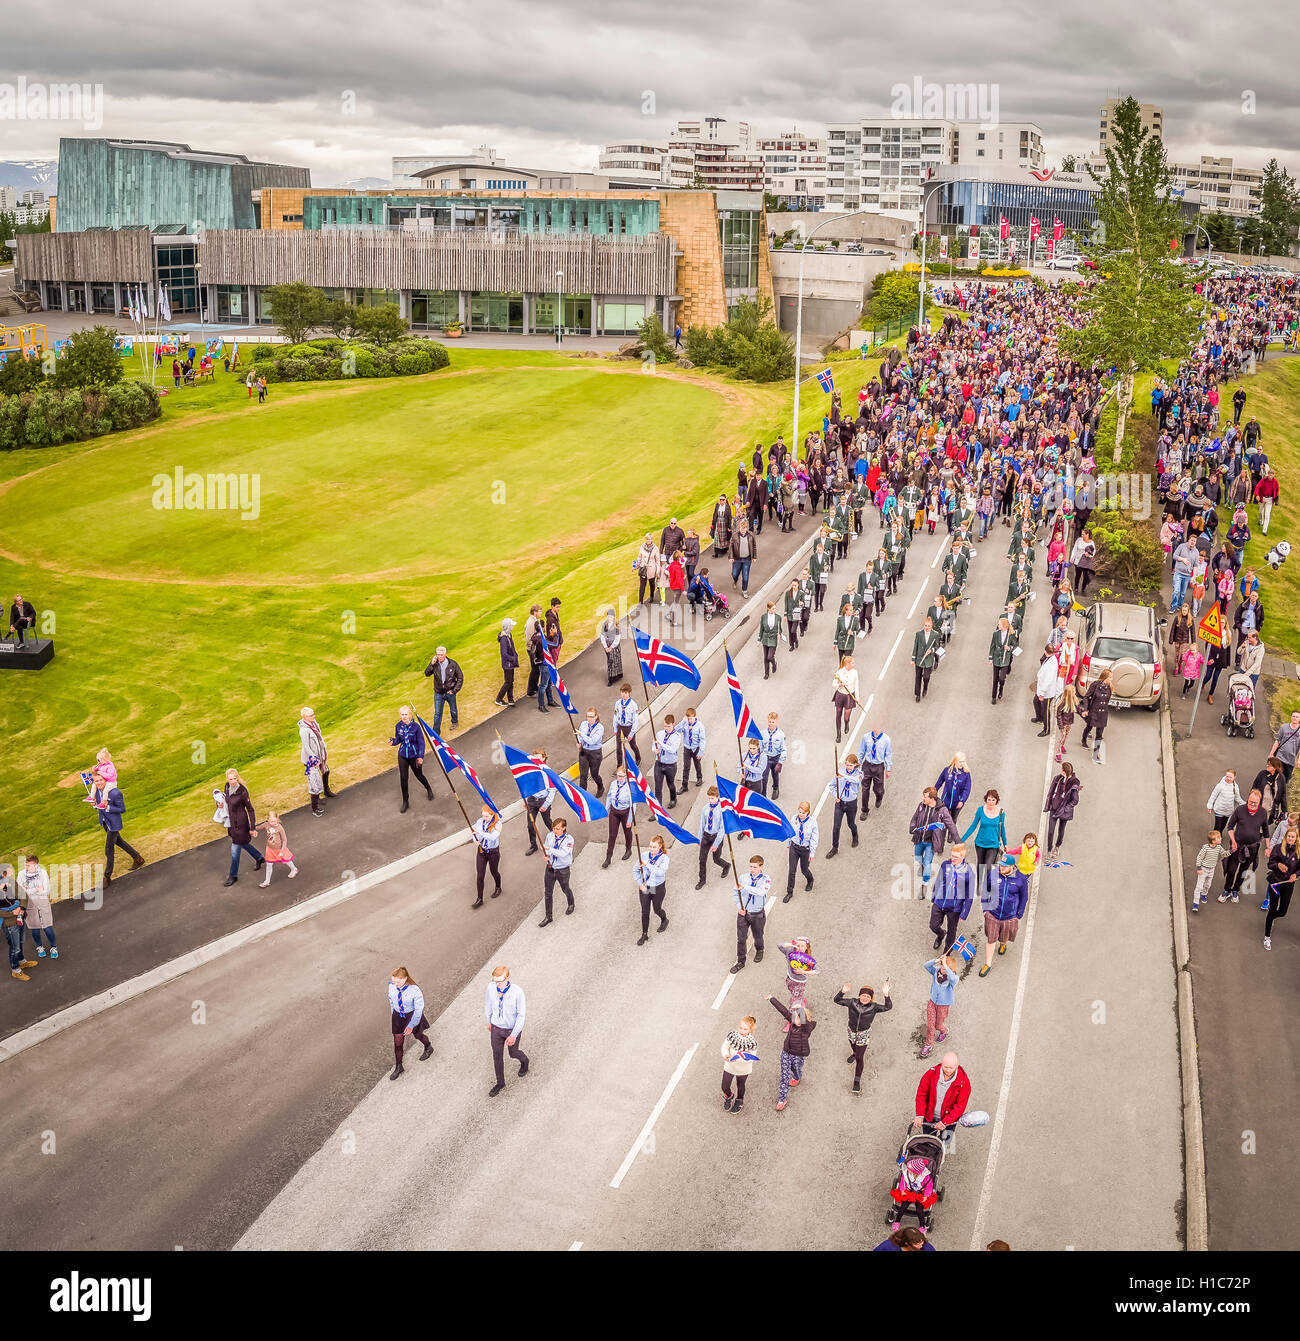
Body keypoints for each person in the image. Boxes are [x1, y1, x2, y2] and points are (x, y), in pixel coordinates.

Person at [833, 980, 892, 1095]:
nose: (865, 998)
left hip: (863, 1033)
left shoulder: (874, 1007)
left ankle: (856, 1081)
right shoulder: (852, 1002)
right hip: (851, 1030)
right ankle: (854, 1053)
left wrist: (886, 995)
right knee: (853, 1046)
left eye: (868, 996)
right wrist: (842, 991)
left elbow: (888, 1007)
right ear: (859, 995)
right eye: (863, 995)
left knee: (860, 1058)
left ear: (871, 998)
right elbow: (837, 1000)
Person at [91, 767, 144, 889]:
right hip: (105, 822)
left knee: (108, 850)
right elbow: (99, 806)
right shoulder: (97, 792)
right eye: (96, 781)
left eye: (100, 780)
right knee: (119, 842)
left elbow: (122, 809)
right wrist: (95, 805)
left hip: (114, 824)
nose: (98, 783)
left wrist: (107, 807)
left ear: (106, 780)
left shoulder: (115, 793)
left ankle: (107, 877)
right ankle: (138, 858)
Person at [979, 857, 1029, 977]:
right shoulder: (993, 874)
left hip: (1009, 917)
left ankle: (1003, 943)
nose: (1001, 868)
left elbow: (1024, 898)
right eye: (1001, 865)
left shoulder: (1021, 879)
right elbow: (985, 890)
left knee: (1004, 936)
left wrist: (1018, 915)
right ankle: (988, 963)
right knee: (991, 939)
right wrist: (986, 909)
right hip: (992, 914)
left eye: (1005, 866)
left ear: (1012, 866)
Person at [484, 965, 529, 1097]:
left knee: (513, 1053)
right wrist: (488, 1021)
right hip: (496, 1028)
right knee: (497, 1056)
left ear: (507, 978)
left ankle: (524, 1061)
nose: (497, 984)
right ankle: (500, 1082)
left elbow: (521, 1015)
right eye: (495, 981)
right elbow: (488, 1004)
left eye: (500, 981)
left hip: (511, 1029)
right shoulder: (491, 987)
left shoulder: (517, 992)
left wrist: (514, 1035)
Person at [908, 786, 959, 898]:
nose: (923, 798)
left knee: (927, 863)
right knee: (918, 859)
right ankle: (923, 869)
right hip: (919, 839)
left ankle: (924, 885)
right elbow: (914, 818)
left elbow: (951, 825)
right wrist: (912, 827)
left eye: (925, 797)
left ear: (932, 798)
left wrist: (958, 841)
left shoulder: (942, 810)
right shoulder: (921, 806)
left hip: (931, 842)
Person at [767, 994, 815, 1111]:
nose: (795, 1019)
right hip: (786, 1053)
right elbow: (783, 1011)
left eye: (798, 1017)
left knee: (796, 1070)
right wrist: (772, 999)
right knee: (784, 1075)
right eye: (795, 1017)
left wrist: (800, 1009)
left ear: (804, 1019)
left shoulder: (806, 1029)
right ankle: (782, 1099)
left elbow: (802, 1021)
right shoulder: (793, 1022)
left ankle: (797, 1077)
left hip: (798, 1055)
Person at [1221, 789, 1269, 902]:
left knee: (1244, 871)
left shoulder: (1262, 812)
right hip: (1237, 846)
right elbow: (1230, 827)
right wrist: (1233, 841)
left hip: (1252, 848)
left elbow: (1266, 831)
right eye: (1250, 801)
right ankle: (1227, 890)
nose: (1251, 804)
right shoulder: (1240, 810)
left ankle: (1235, 890)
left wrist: (1268, 847)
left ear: (1259, 802)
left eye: (1255, 803)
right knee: (1231, 870)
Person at [387, 966, 433, 1080]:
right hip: (398, 1016)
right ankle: (399, 1066)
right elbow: (391, 1001)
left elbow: (418, 1009)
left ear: (405, 978)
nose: (395, 984)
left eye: (397, 982)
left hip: (412, 1015)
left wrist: (411, 1025)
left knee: (418, 1035)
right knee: (398, 1042)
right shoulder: (391, 986)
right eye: (393, 981)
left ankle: (428, 1047)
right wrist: (394, 1015)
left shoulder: (414, 990)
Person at [913, 1052, 971, 1142]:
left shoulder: (964, 1083)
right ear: (941, 1064)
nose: (948, 1070)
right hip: (930, 1116)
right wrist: (920, 1114)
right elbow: (921, 1094)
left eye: (951, 1068)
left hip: (949, 1121)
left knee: (945, 1140)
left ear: (957, 1066)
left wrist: (945, 1122)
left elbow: (960, 1106)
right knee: (928, 1139)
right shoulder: (930, 1074)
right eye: (945, 1067)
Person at [221, 768, 264, 887]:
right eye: (230, 779)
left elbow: (250, 809)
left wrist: (252, 827)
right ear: (227, 779)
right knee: (244, 844)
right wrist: (219, 804)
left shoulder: (243, 791)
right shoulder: (226, 787)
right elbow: (226, 801)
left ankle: (233, 875)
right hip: (232, 825)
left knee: (235, 850)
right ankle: (259, 858)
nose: (233, 781)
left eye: (235, 778)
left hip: (241, 825)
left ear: (238, 778)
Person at [931, 844, 976, 955]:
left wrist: (964, 913)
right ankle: (940, 934)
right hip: (939, 902)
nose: (952, 859)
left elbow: (969, 896)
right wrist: (934, 896)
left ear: (962, 857)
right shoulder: (945, 864)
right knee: (933, 925)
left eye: (956, 857)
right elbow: (938, 880)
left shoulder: (968, 872)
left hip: (955, 908)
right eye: (952, 856)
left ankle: (946, 954)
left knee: (952, 932)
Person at [390, 705, 434, 813]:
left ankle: (428, 788)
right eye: (402, 715)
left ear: (409, 715)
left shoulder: (416, 727)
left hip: (414, 756)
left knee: (419, 775)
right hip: (402, 755)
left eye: (406, 714)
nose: (404, 717)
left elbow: (421, 743)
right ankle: (405, 801)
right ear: (400, 715)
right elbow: (398, 740)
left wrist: (420, 756)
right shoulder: (398, 726)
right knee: (403, 778)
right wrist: (393, 741)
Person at [731, 855, 771, 973]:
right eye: (750, 866)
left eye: (754, 867)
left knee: (758, 936)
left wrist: (745, 887)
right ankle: (740, 961)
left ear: (761, 866)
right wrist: (739, 907)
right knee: (741, 938)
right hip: (744, 913)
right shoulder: (743, 877)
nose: (752, 869)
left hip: (757, 914)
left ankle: (760, 950)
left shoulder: (766, 879)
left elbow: (761, 892)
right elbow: (735, 892)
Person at [1263, 828, 1299, 949]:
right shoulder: (1278, 848)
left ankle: (1272, 917)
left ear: (1296, 838)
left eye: (1293, 837)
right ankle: (1267, 937)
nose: (1290, 838)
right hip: (1276, 883)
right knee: (1272, 909)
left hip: (1288, 885)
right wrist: (1277, 865)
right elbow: (1270, 864)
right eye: (1289, 836)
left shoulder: (1298, 851)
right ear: (1286, 836)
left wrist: (1296, 874)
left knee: (1283, 912)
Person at [537, 815, 574, 928]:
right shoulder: (550, 835)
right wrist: (546, 855)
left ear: (564, 828)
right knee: (548, 893)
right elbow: (547, 849)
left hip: (563, 869)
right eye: (553, 828)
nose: (555, 830)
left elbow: (563, 853)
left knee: (565, 888)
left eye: (557, 828)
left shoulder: (569, 840)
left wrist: (549, 850)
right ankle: (548, 916)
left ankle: (571, 904)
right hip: (550, 868)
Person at [920, 954, 959, 1059]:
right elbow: (926, 965)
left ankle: (944, 1031)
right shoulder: (936, 971)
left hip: (943, 1005)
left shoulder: (953, 978)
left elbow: (954, 979)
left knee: (938, 1025)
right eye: (942, 968)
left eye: (945, 969)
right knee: (930, 1025)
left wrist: (946, 966)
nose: (943, 970)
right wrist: (937, 960)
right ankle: (928, 1045)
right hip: (932, 1002)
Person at [16, 856, 55, 959]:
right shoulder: (21, 875)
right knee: (35, 928)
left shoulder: (43, 873)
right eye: (25, 864)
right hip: (29, 904)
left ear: (35, 865)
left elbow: (46, 891)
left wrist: (28, 890)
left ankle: (53, 947)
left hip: (42, 902)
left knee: (47, 927)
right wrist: (36, 889)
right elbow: (20, 893)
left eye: (29, 865)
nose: (26, 867)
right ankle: (40, 947)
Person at [635, 835, 670, 945]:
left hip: (657, 887)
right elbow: (635, 870)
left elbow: (660, 872)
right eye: (650, 846)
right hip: (645, 887)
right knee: (645, 911)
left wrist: (648, 865)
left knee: (656, 909)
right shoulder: (644, 855)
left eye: (654, 847)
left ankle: (664, 919)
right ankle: (644, 934)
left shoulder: (664, 858)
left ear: (660, 847)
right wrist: (640, 883)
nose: (651, 849)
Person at [298, 706, 333, 817]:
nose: (314, 716)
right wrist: (314, 758)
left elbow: (319, 738)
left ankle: (326, 791)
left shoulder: (314, 723)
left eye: (313, 714)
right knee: (314, 785)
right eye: (311, 715)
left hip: (320, 755)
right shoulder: (304, 729)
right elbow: (306, 746)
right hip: (312, 760)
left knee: (326, 771)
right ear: (304, 717)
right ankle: (315, 808)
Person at [2, 871, 36, 981]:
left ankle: (21, 962)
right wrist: (12, 913)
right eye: (8, 873)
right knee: (14, 947)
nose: (11, 874)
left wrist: (21, 909)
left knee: (21, 941)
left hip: (20, 917)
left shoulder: (11, 882)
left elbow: (23, 895)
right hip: (9, 923)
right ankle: (15, 970)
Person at [721, 1015, 758, 1114]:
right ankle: (729, 1096)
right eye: (740, 1027)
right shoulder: (732, 1036)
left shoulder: (752, 1043)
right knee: (724, 1086)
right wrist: (726, 1054)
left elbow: (751, 1058)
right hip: (730, 1065)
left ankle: (739, 1100)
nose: (742, 1030)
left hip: (743, 1068)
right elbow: (725, 1046)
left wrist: (738, 1059)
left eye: (745, 1029)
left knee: (740, 1084)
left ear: (750, 1030)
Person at [827, 752, 861, 857]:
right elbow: (831, 785)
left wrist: (844, 776)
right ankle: (834, 847)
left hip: (851, 803)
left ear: (855, 765)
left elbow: (855, 781)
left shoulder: (859, 774)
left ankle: (855, 836)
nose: (848, 767)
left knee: (851, 824)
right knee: (836, 826)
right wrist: (835, 795)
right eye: (846, 764)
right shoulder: (840, 772)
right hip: (840, 803)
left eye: (850, 765)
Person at [424, 646, 463, 735]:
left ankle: (454, 722)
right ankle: (436, 733)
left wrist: (454, 691)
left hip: (450, 692)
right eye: (438, 655)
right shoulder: (435, 664)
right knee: (437, 713)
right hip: (438, 693)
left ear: (445, 654)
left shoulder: (453, 664)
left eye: (441, 655)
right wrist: (431, 664)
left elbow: (460, 678)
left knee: (453, 709)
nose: (439, 657)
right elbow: (427, 673)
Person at [1045, 762, 1081, 860]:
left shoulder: (1074, 783)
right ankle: (1049, 850)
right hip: (1055, 808)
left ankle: (1057, 847)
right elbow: (1052, 791)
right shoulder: (1058, 778)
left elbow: (1075, 800)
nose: (1060, 770)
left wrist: (1066, 808)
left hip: (1064, 811)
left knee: (1061, 830)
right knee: (1051, 831)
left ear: (1064, 771)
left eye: (1061, 769)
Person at [784, 801, 817, 902]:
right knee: (792, 870)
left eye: (803, 813)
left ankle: (810, 879)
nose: (801, 815)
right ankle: (789, 892)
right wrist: (789, 843)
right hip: (794, 847)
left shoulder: (812, 823)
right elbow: (790, 832)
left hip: (805, 849)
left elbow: (814, 839)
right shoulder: (794, 818)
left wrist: (812, 853)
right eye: (800, 812)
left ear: (808, 813)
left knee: (804, 869)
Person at [471, 804, 503, 908]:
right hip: (481, 851)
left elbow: (493, 837)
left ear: (492, 814)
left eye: (487, 816)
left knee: (494, 871)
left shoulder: (498, 824)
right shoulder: (480, 821)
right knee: (480, 875)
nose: (484, 818)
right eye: (483, 815)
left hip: (493, 852)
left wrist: (480, 832)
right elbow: (473, 832)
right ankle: (479, 898)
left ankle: (498, 887)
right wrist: (475, 839)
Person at [1190, 829, 1229, 913]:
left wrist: (1231, 851)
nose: (1221, 839)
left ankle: (1204, 894)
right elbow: (1199, 857)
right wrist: (1199, 868)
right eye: (1219, 838)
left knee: (1208, 884)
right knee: (1199, 886)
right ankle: (1195, 903)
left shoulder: (1219, 847)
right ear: (1213, 841)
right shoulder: (1205, 848)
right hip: (1203, 869)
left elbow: (1224, 854)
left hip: (1212, 869)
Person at [255, 811, 297, 887]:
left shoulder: (279, 828)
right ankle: (267, 881)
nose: (272, 823)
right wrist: (250, 827)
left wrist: (282, 851)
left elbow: (284, 840)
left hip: (280, 849)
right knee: (269, 864)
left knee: (287, 860)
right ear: (267, 819)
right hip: (270, 849)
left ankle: (294, 869)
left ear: (277, 819)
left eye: (274, 821)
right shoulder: (266, 824)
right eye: (271, 821)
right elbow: (257, 828)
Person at [651, 713, 680, 809]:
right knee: (658, 787)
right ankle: (658, 809)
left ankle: (673, 799)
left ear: (673, 724)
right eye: (665, 726)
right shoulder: (659, 734)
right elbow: (654, 745)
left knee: (670, 784)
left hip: (670, 765)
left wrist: (661, 743)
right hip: (659, 764)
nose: (666, 728)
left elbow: (672, 750)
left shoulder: (677, 736)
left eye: (668, 726)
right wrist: (654, 750)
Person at [911, 615, 942, 702]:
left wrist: (931, 650)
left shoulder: (935, 635)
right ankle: (917, 694)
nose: (926, 627)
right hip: (919, 659)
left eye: (928, 626)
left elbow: (937, 646)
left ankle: (925, 687)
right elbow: (915, 647)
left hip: (928, 659)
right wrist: (913, 659)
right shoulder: (919, 634)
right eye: (925, 625)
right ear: (923, 625)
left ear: (931, 626)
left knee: (926, 677)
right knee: (918, 677)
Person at [576, 707, 605, 798]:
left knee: (594, 774)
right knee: (583, 775)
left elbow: (592, 741)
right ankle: (583, 796)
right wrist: (580, 743)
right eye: (588, 716)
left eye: (592, 717)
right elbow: (579, 737)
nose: (589, 719)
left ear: (596, 716)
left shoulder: (600, 728)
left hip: (595, 753)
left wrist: (581, 735)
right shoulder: (583, 724)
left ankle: (601, 787)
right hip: (584, 752)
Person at [989, 616, 1017, 703]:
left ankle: (1001, 688)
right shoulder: (996, 634)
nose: (998, 625)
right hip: (997, 658)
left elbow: (1015, 646)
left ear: (1004, 626)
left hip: (1005, 660)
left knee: (1001, 678)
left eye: (999, 624)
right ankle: (993, 697)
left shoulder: (1011, 635)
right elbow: (992, 646)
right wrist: (990, 658)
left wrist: (1009, 648)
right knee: (995, 679)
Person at [935, 754, 971, 821]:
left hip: (957, 803)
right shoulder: (947, 770)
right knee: (944, 821)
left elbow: (967, 789)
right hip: (946, 801)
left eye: (963, 761)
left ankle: (951, 832)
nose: (962, 764)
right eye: (960, 761)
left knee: (953, 821)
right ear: (955, 761)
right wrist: (933, 793)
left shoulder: (966, 774)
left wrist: (962, 801)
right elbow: (939, 783)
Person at [832, 653, 859, 744]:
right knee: (838, 714)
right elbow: (834, 683)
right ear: (847, 664)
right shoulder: (839, 672)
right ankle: (838, 734)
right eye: (852, 663)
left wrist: (857, 698)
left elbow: (856, 685)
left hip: (849, 695)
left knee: (847, 714)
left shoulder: (854, 672)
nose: (854, 664)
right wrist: (839, 685)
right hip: (840, 694)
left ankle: (847, 723)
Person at [1206, 769, 1243, 834]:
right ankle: (1214, 839)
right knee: (1217, 826)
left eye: (1230, 777)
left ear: (1234, 777)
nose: (1228, 778)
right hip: (1219, 809)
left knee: (1223, 826)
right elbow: (1213, 795)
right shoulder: (1220, 785)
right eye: (1227, 776)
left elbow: (1237, 798)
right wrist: (1210, 806)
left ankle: (1218, 837)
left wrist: (1244, 804)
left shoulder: (1235, 787)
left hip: (1228, 811)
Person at [678, 707, 705, 794]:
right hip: (687, 748)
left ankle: (699, 777)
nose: (690, 720)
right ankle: (684, 785)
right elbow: (676, 730)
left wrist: (701, 752)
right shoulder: (685, 724)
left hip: (696, 748)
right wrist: (683, 721)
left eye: (691, 718)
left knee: (697, 764)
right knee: (686, 767)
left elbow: (702, 740)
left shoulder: (700, 726)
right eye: (688, 718)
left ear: (695, 717)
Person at [613, 684, 641, 765]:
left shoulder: (633, 705)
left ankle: (638, 758)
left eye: (625, 692)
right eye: (622, 692)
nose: (623, 694)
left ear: (629, 693)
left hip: (629, 728)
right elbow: (615, 715)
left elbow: (635, 720)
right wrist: (615, 728)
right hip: (620, 727)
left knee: (633, 745)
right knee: (618, 748)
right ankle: (619, 765)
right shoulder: (618, 703)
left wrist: (632, 733)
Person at [495, 618, 519, 706]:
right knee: (508, 681)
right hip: (507, 663)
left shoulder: (509, 635)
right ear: (508, 626)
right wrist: (513, 658)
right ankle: (499, 699)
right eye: (511, 625)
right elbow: (504, 654)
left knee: (510, 681)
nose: (512, 626)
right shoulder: (504, 639)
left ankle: (510, 699)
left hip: (510, 663)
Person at [757, 600, 781, 678]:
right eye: (773, 608)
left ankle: (774, 664)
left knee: (770, 657)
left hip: (773, 639)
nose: (774, 610)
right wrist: (759, 640)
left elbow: (779, 628)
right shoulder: (763, 617)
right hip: (765, 639)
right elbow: (761, 629)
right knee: (765, 658)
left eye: (775, 608)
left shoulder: (778, 617)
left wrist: (779, 634)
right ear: (768, 609)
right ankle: (766, 673)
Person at [599, 610, 623, 687]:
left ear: (614, 617)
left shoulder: (616, 626)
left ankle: (614, 677)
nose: (610, 618)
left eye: (611, 616)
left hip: (615, 647)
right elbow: (602, 636)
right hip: (607, 646)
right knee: (610, 662)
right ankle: (611, 677)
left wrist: (611, 647)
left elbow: (617, 638)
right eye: (609, 616)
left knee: (615, 661)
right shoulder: (604, 625)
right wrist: (606, 646)